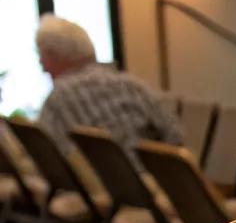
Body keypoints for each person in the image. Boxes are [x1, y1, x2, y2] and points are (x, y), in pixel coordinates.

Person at [35, 16, 183, 153]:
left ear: (56, 55)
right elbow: (176, 137)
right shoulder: (134, 85)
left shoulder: (59, 98)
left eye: (42, 57)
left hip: (96, 181)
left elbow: (44, 157)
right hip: (152, 178)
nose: (42, 66)